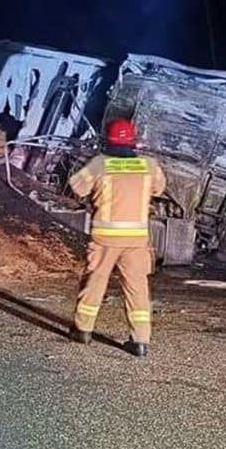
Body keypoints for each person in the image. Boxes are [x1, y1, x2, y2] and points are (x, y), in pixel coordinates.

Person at [68, 118, 166, 357]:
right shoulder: (149, 165)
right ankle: (140, 341)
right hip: (136, 240)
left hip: (106, 238)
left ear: (108, 141)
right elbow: (159, 189)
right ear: (133, 141)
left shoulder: (100, 164)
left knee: (95, 282)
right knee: (137, 288)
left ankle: (83, 330)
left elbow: (76, 187)